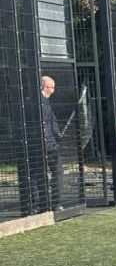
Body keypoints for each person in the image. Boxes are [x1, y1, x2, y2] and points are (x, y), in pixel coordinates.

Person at [40, 75, 64, 203]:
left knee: (37, 173)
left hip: (44, 143)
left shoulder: (38, 101)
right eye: (51, 88)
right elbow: (47, 124)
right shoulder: (43, 103)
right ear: (44, 87)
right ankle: (56, 202)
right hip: (48, 144)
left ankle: (39, 203)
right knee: (58, 171)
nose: (53, 91)